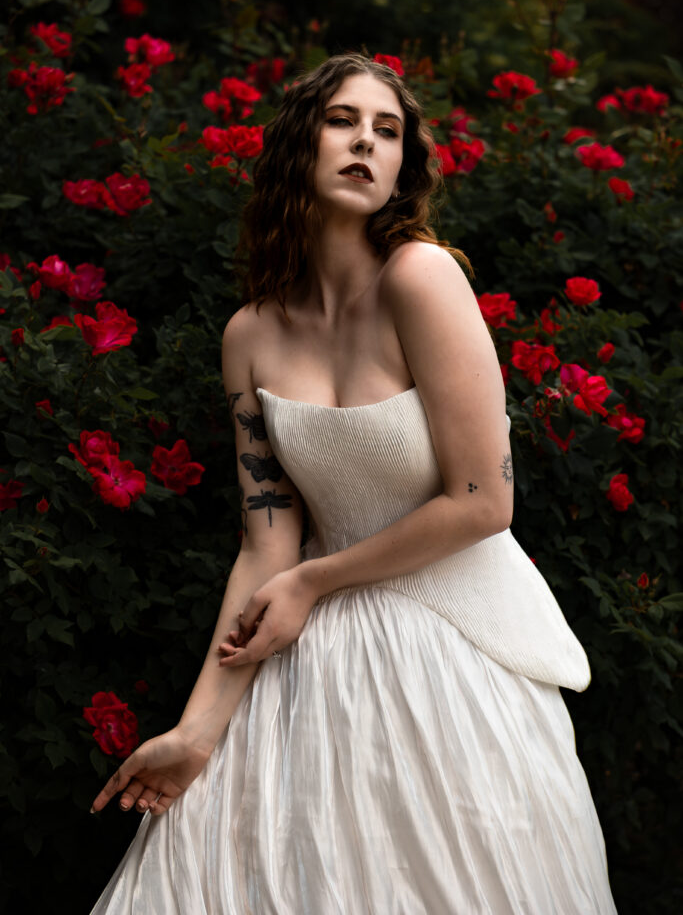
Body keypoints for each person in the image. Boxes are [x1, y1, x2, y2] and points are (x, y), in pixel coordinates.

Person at [89, 52, 618, 913]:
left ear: (405, 164)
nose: (365, 143)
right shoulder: (250, 334)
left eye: (388, 130)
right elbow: (266, 542)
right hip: (307, 656)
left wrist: (313, 580)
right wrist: (197, 728)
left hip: (453, 649)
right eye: (343, 120)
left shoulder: (421, 277)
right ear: (300, 141)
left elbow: (485, 501)